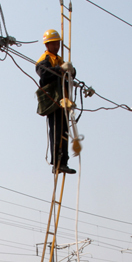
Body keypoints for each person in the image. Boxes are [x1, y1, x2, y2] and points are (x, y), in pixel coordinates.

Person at [35, 29, 76, 174]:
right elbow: (45, 75)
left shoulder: (58, 60)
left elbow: (69, 74)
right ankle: (56, 163)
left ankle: (63, 161)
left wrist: (71, 70)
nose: (57, 46)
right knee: (56, 131)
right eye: (54, 44)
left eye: (58, 43)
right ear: (47, 45)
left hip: (62, 101)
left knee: (64, 131)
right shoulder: (44, 60)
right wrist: (60, 69)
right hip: (52, 101)